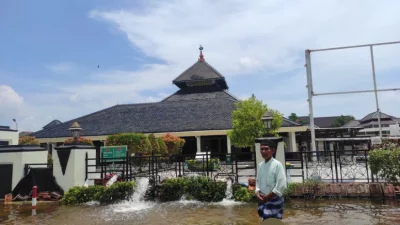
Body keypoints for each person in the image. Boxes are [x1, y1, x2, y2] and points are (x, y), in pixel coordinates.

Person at [255, 139, 287, 221]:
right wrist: (257, 193)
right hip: (263, 199)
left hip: (274, 199)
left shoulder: (277, 165)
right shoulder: (260, 165)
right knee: (265, 220)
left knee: (272, 221)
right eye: (261, 149)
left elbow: (281, 184)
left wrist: (269, 196)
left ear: (272, 150)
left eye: (266, 149)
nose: (263, 151)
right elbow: (258, 182)